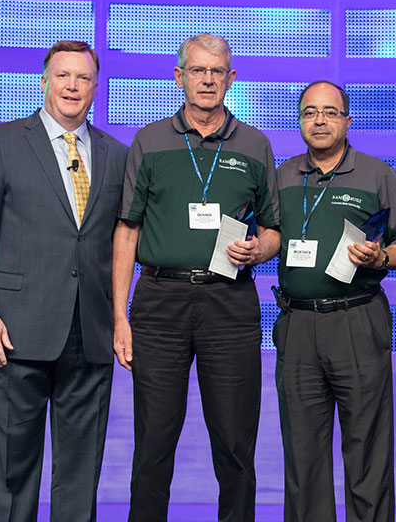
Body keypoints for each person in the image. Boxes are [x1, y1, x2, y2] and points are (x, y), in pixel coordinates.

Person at [0, 40, 128, 521]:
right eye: (63, 76)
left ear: (96, 87)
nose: (73, 86)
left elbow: (122, 240)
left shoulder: (117, 154)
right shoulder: (2, 141)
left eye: (83, 78)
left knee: (80, 472)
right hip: (16, 331)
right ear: (44, 80)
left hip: (90, 335)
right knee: (14, 471)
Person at [111, 33, 281, 522]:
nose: (208, 79)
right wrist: (119, 318)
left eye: (217, 71)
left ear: (231, 78)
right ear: (179, 76)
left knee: (234, 444)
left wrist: (257, 250)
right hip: (158, 304)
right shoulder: (149, 141)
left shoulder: (254, 145)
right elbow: (127, 231)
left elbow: (272, 230)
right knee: (154, 443)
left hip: (228, 304)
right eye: (198, 70)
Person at [273, 81, 396, 521]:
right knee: (303, 455)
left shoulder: (377, 174)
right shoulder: (282, 175)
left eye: (330, 113)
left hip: (357, 319)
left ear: (347, 121)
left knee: (367, 450)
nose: (319, 121)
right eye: (310, 113)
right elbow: (266, 233)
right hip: (297, 325)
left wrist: (381, 257)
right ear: (300, 121)